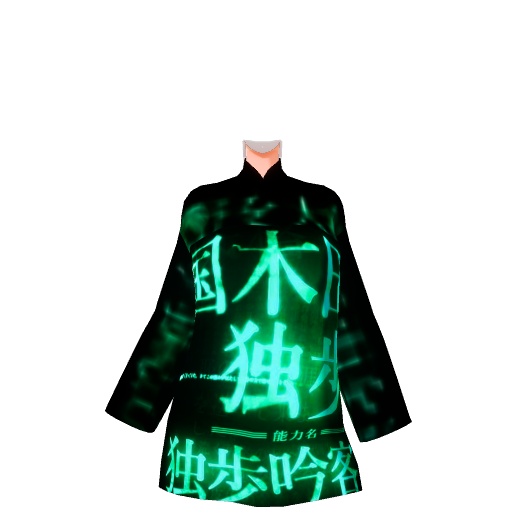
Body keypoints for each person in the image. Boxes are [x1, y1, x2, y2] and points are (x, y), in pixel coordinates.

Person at [119, 138, 399, 506]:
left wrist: (376, 422)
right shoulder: (199, 211)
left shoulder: (325, 207)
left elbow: (338, 317)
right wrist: (138, 411)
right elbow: (180, 317)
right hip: (213, 443)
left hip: (306, 444)